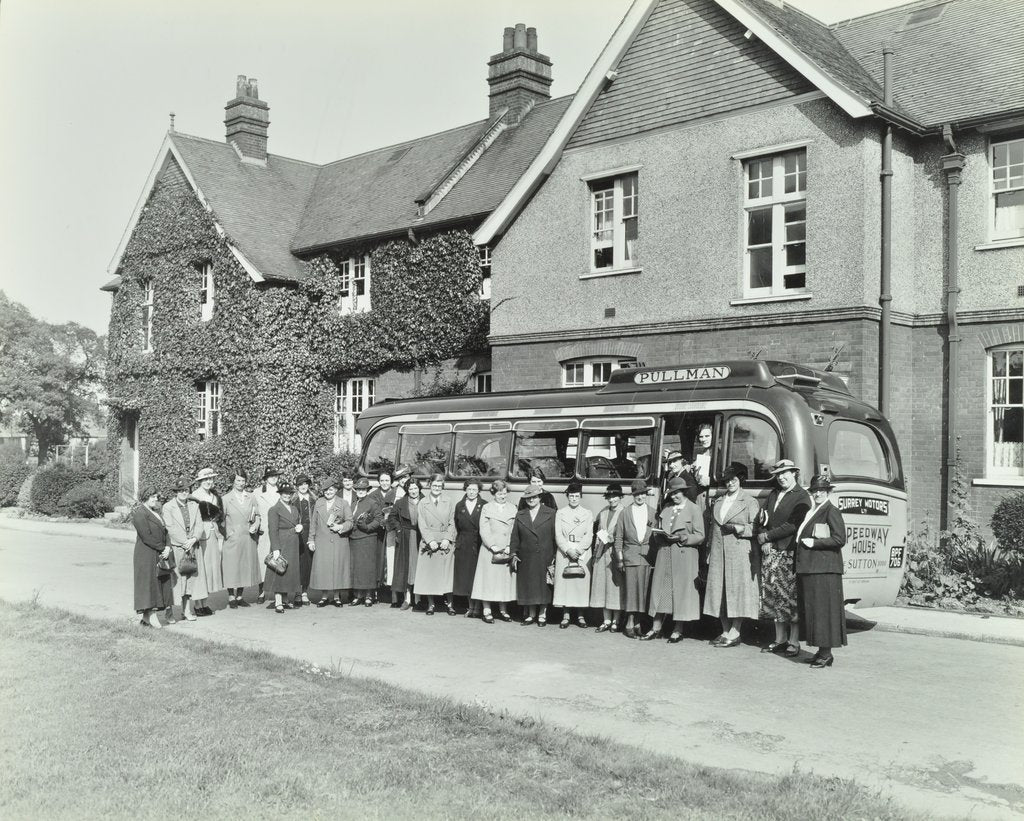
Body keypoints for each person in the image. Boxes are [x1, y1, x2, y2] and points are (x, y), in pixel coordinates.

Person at [756, 459, 812, 657]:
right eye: (779, 474)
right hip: (771, 553)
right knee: (773, 597)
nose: (781, 477)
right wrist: (764, 538)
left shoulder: (802, 496)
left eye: (785, 473)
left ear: (794, 473)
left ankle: (794, 642)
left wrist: (769, 536)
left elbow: (793, 524)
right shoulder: (774, 494)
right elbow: (762, 518)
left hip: (789, 553)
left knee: (789, 598)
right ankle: (779, 639)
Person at [704, 465, 761, 647]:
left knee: (737, 592)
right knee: (718, 591)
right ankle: (725, 629)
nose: (730, 483)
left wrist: (740, 528)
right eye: (727, 480)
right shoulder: (719, 501)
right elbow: (713, 528)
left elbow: (757, 528)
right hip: (718, 552)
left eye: (734, 480)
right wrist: (710, 551)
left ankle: (736, 631)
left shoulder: (749, 501)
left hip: (739, 552)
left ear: (740, 480)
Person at [795, 475, 848, 668]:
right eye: (815, 490)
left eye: (822, 491)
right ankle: (820, 651)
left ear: (828, 492)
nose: (818, 493)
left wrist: (815, 543)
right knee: (815, 611)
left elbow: (839, 539)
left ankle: (826, 654)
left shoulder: (831, 511)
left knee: (823, 612)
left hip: (824, 570)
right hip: (812, 569)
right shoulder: (814, 510)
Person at [645, 477, 705, 642]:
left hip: (684, 555)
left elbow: (700, 536)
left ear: (684, 492)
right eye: (672, 493)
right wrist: (659, 535)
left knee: (681, 592)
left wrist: (681, 537)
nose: (674, 496)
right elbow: (658, 530)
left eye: (677, 492)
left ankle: (678, 629)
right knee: (661, 590)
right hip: (665, 553)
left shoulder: (694, 509)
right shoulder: (667, 508)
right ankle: (655, 627)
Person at [613, 479, 656, 638]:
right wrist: (620, 559)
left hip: (646, 557)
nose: (640, 497)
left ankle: (638, 622)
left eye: (643, 493)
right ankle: (629, 623)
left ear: (646, 494)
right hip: (630, 556)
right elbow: (618, 539)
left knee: (643, 592)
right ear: (633, 495)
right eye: (637, 494)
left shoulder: (653, 512)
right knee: (631, 591)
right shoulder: (625, 513)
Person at [510, 484, 557, 626]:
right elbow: (515, 536)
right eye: (528, 497)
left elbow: (555, 536)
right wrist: (513, 552)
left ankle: (542, 614)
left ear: (539, 498)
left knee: (543, 586)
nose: (531, 500)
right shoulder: (520, 514)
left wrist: (555, 555)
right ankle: (531, 615)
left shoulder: (551, 513)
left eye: (534, 497)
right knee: (529, 585)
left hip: (545, 554)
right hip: (526, 556)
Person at [472, 480, 516, 623]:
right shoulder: (487, 508)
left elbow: (514, 529)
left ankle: (503, 610)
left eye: (504, 493)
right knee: (488, 581)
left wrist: (510, 545)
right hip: (490, 550)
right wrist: (492, 546)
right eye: (499, 493)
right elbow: (483, 529)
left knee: (503, 581)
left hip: (506, 549)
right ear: (493, 493)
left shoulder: (512, 508)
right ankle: (486, 610)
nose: (502, 496)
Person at [162, 477, 205, 621]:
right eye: (180, 490)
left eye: (186, 490)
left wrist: (193, 539)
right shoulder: (168, 507)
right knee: (175, 581)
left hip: (191, 548)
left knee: (189, 579)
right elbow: (170, 528)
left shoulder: (194, 506)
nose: (183, 493)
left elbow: (199, 525)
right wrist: (184, 541)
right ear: (176, 492)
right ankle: (169, 613)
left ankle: (186, 610)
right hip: (177, 547)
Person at [415, 473, 458, 615]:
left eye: (439, 486)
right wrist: (430, 540)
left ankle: (450, 605)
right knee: (430, 575)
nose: (437, 488)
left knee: (447, 575)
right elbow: (422, 524)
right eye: (434, 485)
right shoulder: (423, 502)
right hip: (430, 543)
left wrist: (447, 538)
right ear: (430, 485)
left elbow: (452, 522)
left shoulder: (449, 501)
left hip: (445, 543)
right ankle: (431, 605)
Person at [553, 480, 594, 628]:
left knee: (580, 584)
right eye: (571, 496)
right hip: (565, 552)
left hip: (581, 552)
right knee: (566, 583)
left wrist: (579, 550)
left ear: (580, 496)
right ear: (568, 497)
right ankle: (566, 615)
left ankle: (581, 615)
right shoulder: (560, 513)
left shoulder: (587, 513)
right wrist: (567, 550)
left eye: (576, 496)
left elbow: (589, 535)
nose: (574, 499)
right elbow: (558, 534)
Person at [132, 486, 173, 627]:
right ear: (144, 496)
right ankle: (151, 615)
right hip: (146, 554)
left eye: (156, 496)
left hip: (158, 552)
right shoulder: (139, 513)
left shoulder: (156, 512)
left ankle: (146, 618)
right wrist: (163, 548)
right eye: (152, 496)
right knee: (148, 585)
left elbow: (165, 531)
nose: (155, 499)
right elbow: (146, 537)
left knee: (157, 584)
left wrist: (168, 546)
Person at [309, 476, 354, 607]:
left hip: (339, 541)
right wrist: (311, 540)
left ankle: (336, 597)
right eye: (326, 490)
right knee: (324, 569)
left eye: (331, 489)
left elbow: (350, 522)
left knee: (337, 568)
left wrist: (340, 527)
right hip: (322, 541)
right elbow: (314, 523)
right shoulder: (318, 502)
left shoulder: (343, 503)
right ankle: (324, 597)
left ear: (335, 490)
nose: (328, 492)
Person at [590, 483, 626, 633]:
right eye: (609, 497)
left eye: (615, 496)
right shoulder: (603, 512)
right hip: (602, 552)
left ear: (620, 497)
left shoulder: (624, 512)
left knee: (615, 587)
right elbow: (598, 531)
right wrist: (595, 553)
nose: (612, 499)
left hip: (616, 553)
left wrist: (611, 538)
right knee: (603, 586)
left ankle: (616, 621)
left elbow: (625, 534)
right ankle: (606, 620)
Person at [221, 469, 260, 608]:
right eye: (238, 480)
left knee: (244, 566)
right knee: (232, 567)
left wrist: (256, 524)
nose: (241, 483)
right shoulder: (226, 499)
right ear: (233, 481)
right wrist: (227, 533)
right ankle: (231, 596)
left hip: (247, 537)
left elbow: (257, 515)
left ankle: (240, 596)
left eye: (243, 480)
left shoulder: (251, 497)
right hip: (233, 538)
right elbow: (221, 520)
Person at [190, 467, 224, 614]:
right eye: (205, 479)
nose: (208, 482)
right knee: (201, 569)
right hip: (201, 535)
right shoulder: (194, 496)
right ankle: (197, 605)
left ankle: (204, 603)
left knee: (210, 569)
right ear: (200, 481)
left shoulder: (215, 496)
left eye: (210, 479)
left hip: (213, 534)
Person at [265, 481, 302, 614]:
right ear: (280, 494)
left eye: (289, 493)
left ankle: (285, 600)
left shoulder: (294, 509)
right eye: (284, 493)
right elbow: (272, 530)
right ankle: (278, 601)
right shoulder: (274, 510)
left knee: (288, 572)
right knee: (279, 571)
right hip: (281, 544)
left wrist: (299, 528)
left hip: (293, 544)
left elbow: (297, 522)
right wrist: (275, 549)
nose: (287, 495)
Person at [387, 477, 422, 610]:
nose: (413, 491)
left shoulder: (425, 501)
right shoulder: (401, 502)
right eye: (410, 488)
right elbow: (392, 517)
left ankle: (418, 599)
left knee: (418, 567)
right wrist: (399, 529)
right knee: (407, 567)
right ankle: (407, 598)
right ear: (407, 490)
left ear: (419, 489)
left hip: (420, 537)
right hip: (406, 537)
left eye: (415, 488)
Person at [349, 477, 384, 606]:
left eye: (363, 489)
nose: (360, 491)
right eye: (358, 489)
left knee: (368, 569)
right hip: (354, 539)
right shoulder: (353, 503)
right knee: (357, 569)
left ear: (367, 490)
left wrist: (368, 528)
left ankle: (369, 595)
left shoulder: (372, 502)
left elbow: (379, 519)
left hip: (368, 539)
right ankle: (358, 595)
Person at [453, 479, 484, 617]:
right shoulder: (460, 505)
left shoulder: (484, 505)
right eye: (469, 489)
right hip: (464, 543)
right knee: (466, 577)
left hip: (478, 543)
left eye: (474, 490)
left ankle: (477, 607)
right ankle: (470, 606)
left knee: (476, 576)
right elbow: (456, 524)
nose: (471, 492)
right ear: (465, 490)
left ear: (479, 491)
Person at [370, 471, 399, 600]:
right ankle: (375, 590)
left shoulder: (397, 493)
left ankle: (393, 592)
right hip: (378, 532)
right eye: (382, 480)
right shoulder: (373, 495)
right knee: (377, 559)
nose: (385, 483)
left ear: (391, 481)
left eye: (387, 480)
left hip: (392, 531)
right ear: (379, 482)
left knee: (392, 559)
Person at [254, 466, 281, 603]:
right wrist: (255, 525)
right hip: (264, 531)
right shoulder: (257, 492)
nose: (274, 478)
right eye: (271, 476)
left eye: (275, 475)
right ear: (265, 478)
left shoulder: (281, 491)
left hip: (279, 530)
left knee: (278, 559)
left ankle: (279, 591)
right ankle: (262, 592)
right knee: (262, 560)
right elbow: (253, 512)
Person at [293, 475, 316, 606]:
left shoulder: (314, 500)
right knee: (298, 563)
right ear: (297, 486)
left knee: (308, 563)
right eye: (300, 484)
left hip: (310, 534)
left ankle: (304, 592)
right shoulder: (292, 500)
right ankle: (297, 592)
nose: (303, 486)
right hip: (297, 535)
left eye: (305, 484)